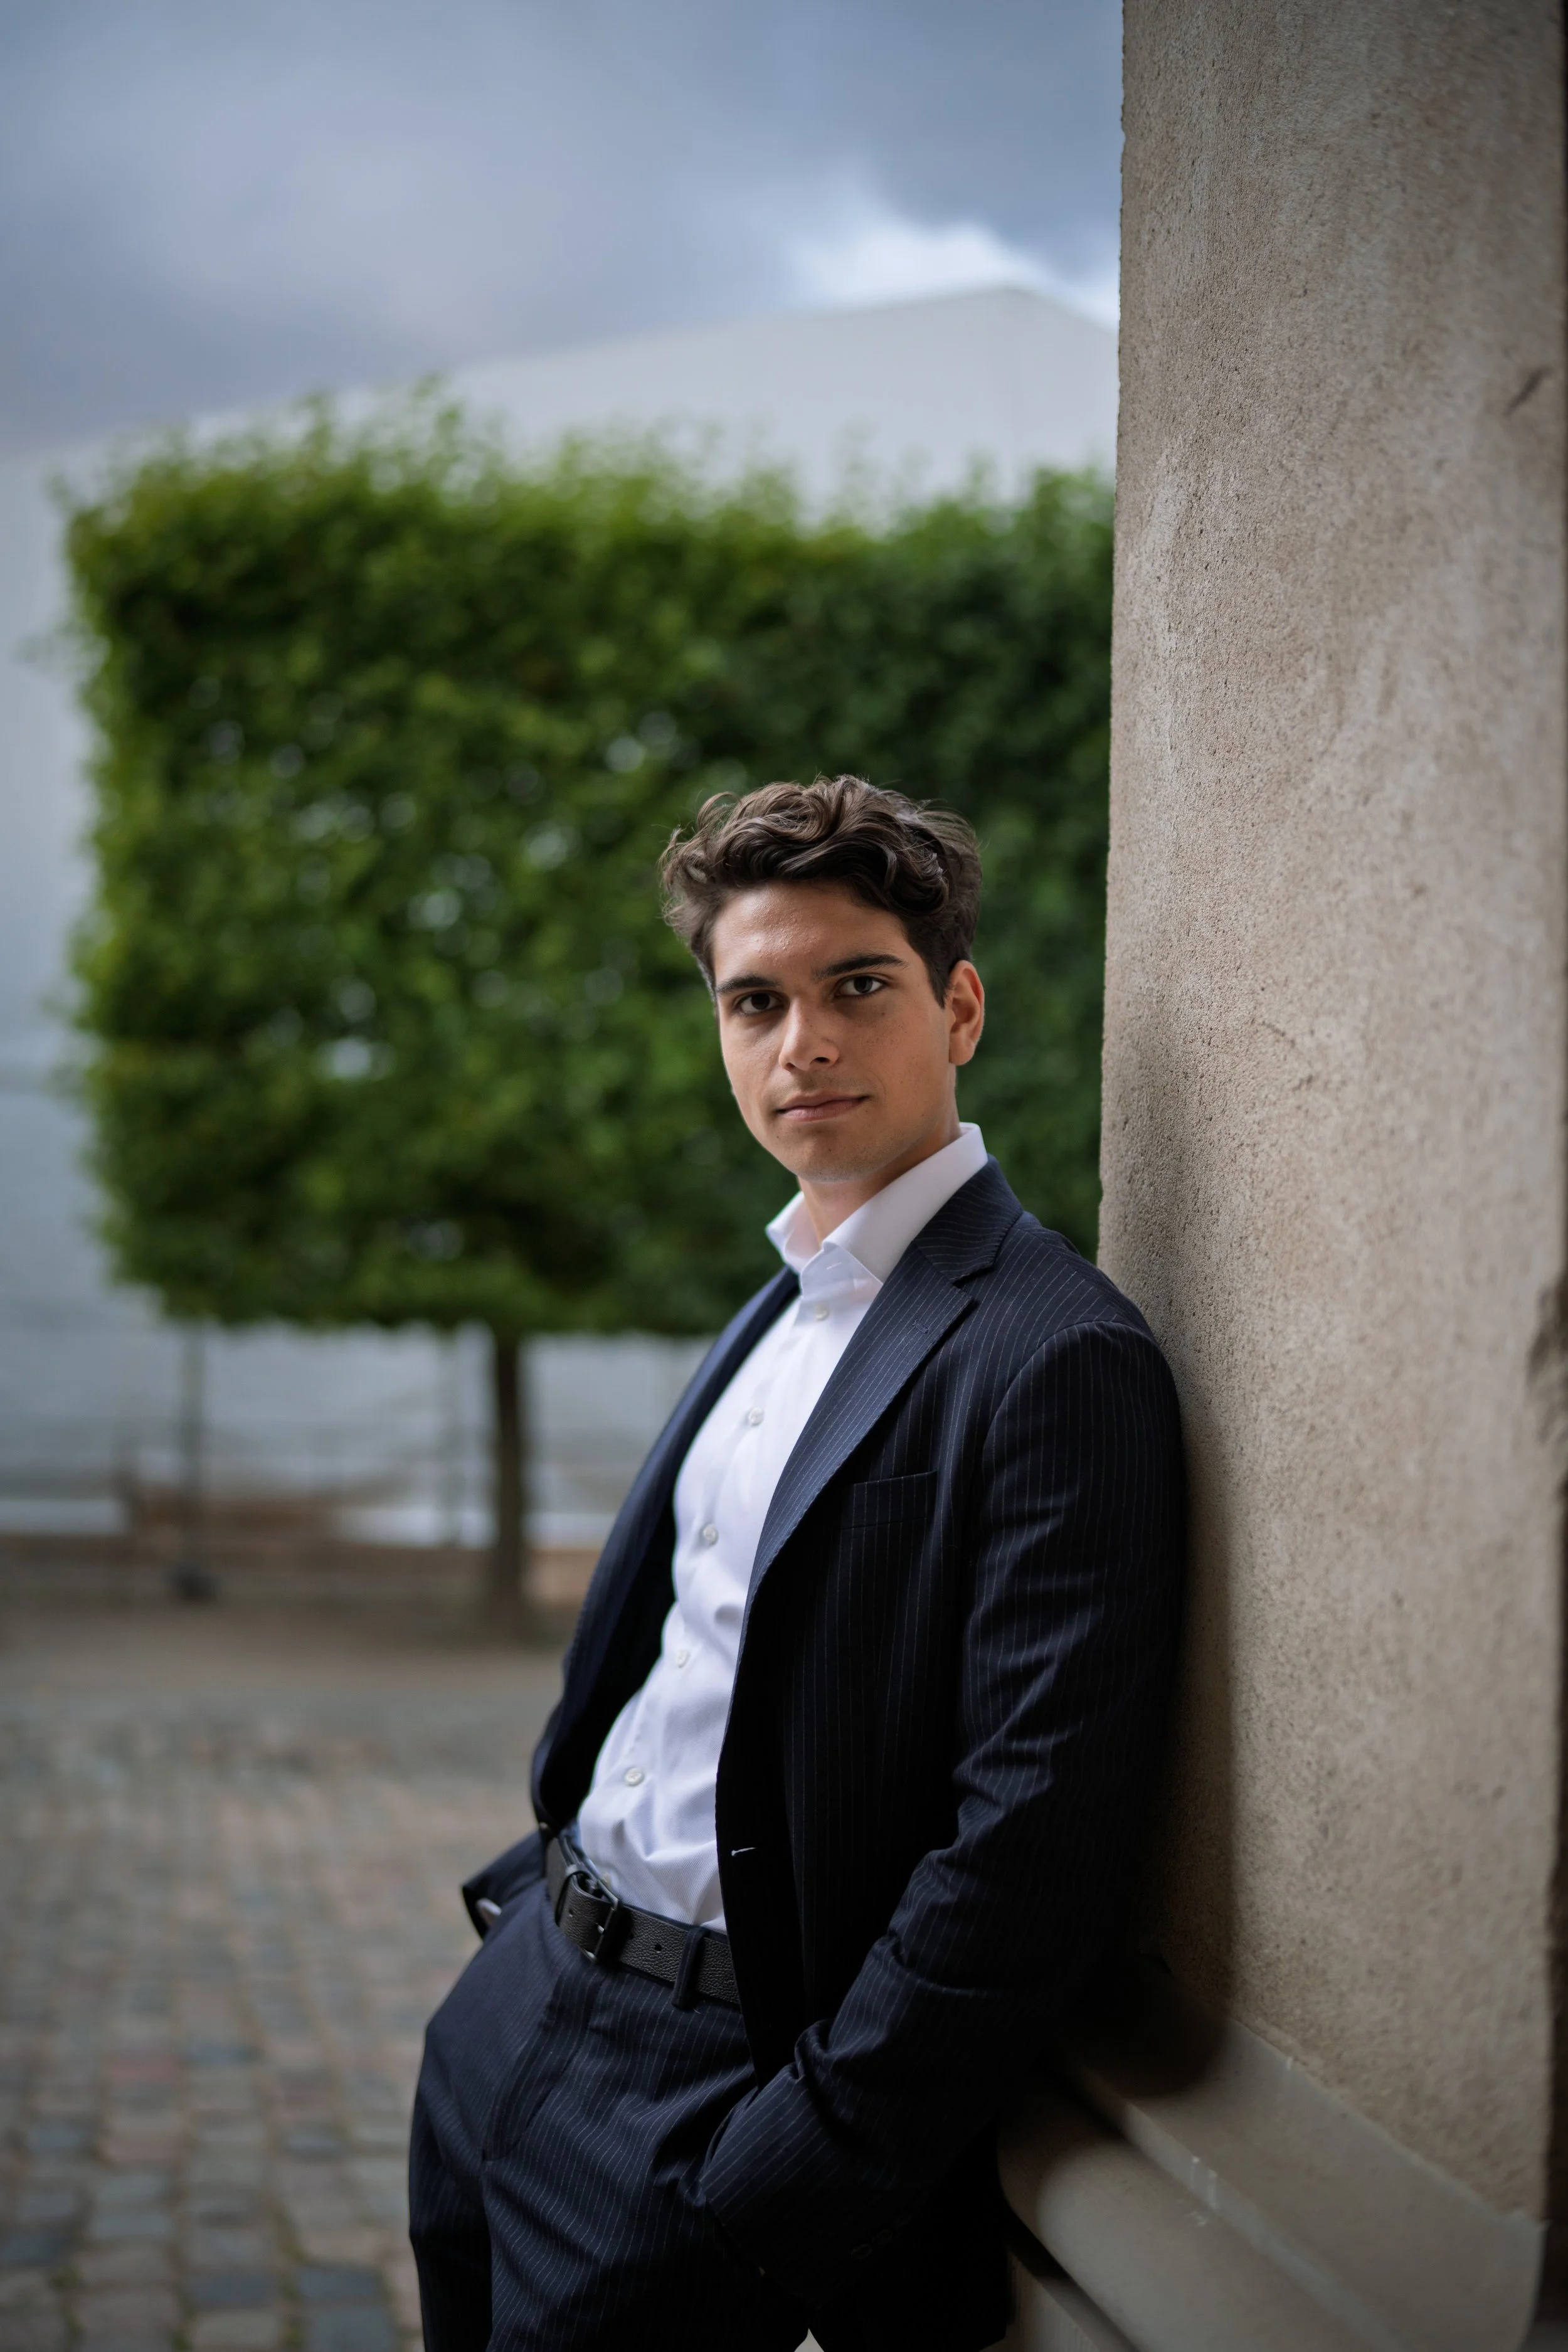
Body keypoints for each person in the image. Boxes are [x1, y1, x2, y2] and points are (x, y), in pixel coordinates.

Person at [408, 776, 1184, 2352]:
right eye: (754, 1002)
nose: (801, 1044)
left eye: (857, 988)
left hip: (704, 2103)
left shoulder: (1056, 1353)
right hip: (521, 2009)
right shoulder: (785, 1289)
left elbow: (1028, 1847)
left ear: (957, 1009)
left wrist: (792, 2173)